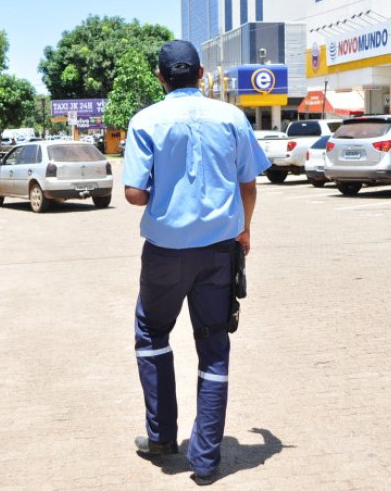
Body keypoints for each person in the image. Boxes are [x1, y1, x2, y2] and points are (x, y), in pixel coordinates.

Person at [123, 40, 270, 486]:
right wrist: (245, 230)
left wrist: (161, 189)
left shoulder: (145, 121)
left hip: (165, 255)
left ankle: (162, 437)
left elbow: (134, 194)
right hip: (219, 253)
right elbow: (249, 185)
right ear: (202, 74)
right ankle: (205, 462)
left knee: (152, 333)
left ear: (160, 76)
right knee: (214, 348)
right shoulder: (232, 117)